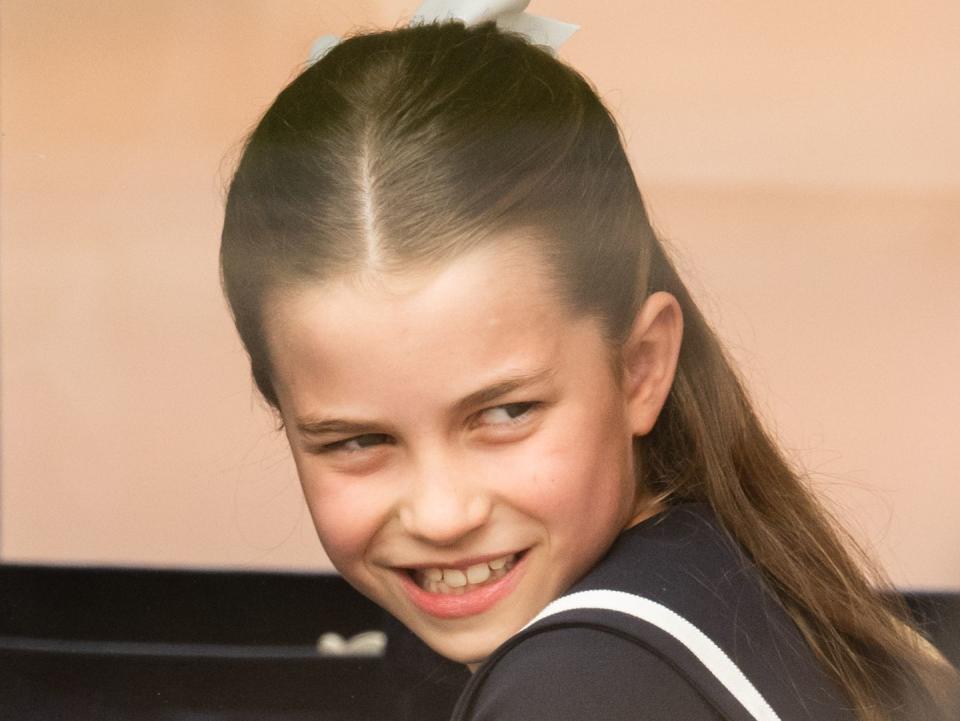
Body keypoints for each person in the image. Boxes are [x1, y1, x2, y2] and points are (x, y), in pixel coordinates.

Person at [218, 5, 959, 720]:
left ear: (640, 367)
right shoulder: (728, 576)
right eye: (358, 440)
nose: (443, 514)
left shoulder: (575, 688)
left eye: (506, 412)